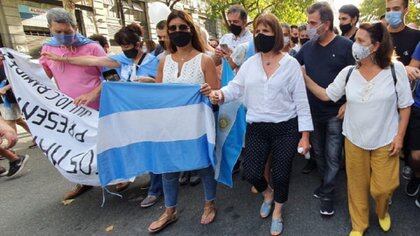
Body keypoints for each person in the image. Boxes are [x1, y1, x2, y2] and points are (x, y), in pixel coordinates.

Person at [304, 22, 413, 236]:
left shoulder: (395, 69)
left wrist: (400, 137)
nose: (355, 45)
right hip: (354, 139)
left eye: (361, 41)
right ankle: (359, 225)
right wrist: (304, 78)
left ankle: (382, 211)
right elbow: (327, 95)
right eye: (356, 40)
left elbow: (405, 105)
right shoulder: (348, 72)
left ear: (375, 46)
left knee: (382, 188)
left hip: (386, 140)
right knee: (356, 187)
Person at [210, 13, 312, 236]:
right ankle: (268, 194)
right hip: (257, 127)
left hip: (286, 128)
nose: (260, 35)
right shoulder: (250, 64)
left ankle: (277, 210)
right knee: (252, 172)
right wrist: (220, 93)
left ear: (275, 34)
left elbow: (302, 103)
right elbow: (235, 87)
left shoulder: (291, 64)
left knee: (282, 173)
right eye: (257, 31)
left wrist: (305, 136)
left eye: (265, 31)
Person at [147, 10, 219, 233]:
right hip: (170, 126)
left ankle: (209, 204)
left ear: (191, 30)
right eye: (173, 29)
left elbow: (217, 96)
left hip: (198, 126)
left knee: (204, 165)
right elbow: (160, 96)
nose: (178, 32)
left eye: (182, 27)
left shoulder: (204, 60)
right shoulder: (163, 62)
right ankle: (170, 211)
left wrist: (210, 93)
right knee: (168, 169)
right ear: (168, 33)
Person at [39, 8, 106, 200]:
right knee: (79, 147)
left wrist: (93, 93)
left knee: (105, 144)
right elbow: (41, 77)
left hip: (99, 107)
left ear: (75, 28)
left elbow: (112, 75)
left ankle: (118, 177)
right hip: (70, 111)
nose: (62, 36)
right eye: (57, 32)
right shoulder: (48, 50)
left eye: (67, 32)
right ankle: (84, 181)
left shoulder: (92, 47)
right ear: (50, 29)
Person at [295, 1, 355, 216]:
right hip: (312, 112)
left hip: (335, 114)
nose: (308, 27)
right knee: (318, 152)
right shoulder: (307, 48)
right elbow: (290, 67)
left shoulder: (346, 47)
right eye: (308, 22)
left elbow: (358, 77)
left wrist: (349, 102)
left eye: (313, 23)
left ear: (326, 24)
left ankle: (328, 194)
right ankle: (325, 183)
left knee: (332, 156)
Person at [385, 0, 420, 183]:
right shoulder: (380, 35)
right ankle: (386, 188)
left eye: (396, 9)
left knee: (408, 143)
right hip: (383, 99)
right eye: (388, 9)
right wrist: (402, 68)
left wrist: (408, 70)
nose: (392, 13)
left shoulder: (416, 36)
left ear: (406, 9)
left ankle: (413, 173)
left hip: (409, 100)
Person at [214, 4, 253, 74]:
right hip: (226, 80)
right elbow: (216, 62)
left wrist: (230, 56)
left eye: (235, 22)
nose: (232, 24)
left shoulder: (252, 41)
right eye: (230, 21)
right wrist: (217, 54)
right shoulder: (225, 38)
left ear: (244, 21)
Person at [406, 42, 420, 208]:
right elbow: (411, 68)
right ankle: (417, 175)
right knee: (416, 156)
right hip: (417, 106)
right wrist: (411, 70)